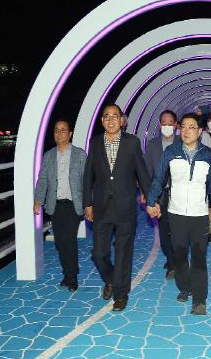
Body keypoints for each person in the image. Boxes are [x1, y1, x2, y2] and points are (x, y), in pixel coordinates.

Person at [146, 113, 211, 315]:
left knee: (198, 257)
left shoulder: (206, 153)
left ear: (200, 131)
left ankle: (199, 300)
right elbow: (159, 178)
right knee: (179, 256)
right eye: (184, 127)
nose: (186, 131)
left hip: (199, 214)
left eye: (191, 127)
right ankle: (185, 287)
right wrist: (151, 201)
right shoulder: (171, 151)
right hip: (176, 213)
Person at [83, 104, 151, 311]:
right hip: (101, 207)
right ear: (102, 120)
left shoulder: (132, 142)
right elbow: (88, 175)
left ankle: (121, 294)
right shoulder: (95, 143)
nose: (111, 120)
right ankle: (111, 279)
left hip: (125, 206)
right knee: (98, 253)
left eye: (115, 116)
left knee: (123, 252)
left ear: (122, 120)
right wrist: (87, 203)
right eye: (106, 116)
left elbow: (141, 171)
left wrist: (151, 199)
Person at [34, 119, 87, 292]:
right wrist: (38, 200)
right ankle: (67, 273)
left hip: (73, 204)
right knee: (60, 242)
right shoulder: (49, 155)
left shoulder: (80, 154)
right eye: (57, 130)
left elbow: (87, 180)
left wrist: (89, 203)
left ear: (70, 134)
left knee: (69, 240)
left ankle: (72, 276)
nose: (59, 133)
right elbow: (42, 179)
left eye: (63, 130)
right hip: (55, 205)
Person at [142, 109, 180, 279]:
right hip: (160, 194)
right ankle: (171, 261)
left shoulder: (182, 142)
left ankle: (174, 260)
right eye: (164, 123)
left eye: (170, 123)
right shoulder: (152, 145)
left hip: (179, 194)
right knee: (164, 230)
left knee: (177, 230)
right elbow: (147, 171)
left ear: (176, 125)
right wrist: (146, 192)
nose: (167, 126)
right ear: (160, 125)